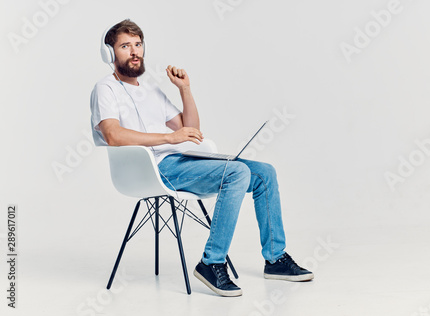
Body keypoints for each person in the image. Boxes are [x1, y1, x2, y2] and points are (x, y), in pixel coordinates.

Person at [90, 19, 313, 297]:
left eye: (138, 45)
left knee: (264, 172)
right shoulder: (105, 89)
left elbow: (191, 130)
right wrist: (169, 139)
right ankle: (211, 262)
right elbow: (113, 135)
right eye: (125, 46)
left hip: (180, 162)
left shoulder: (151, 91)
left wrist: (185, 89)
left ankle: (275, 259)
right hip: (151, 169)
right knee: (237, 173)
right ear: (110, 54)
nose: (134, 52)